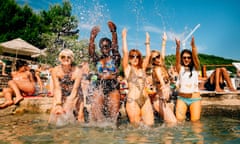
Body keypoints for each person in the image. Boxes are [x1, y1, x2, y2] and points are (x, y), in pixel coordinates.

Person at [88, 21, 121, 123]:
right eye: (102, 47)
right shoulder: (97, 59)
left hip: (113, 88)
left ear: (110, 47)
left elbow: (116, 47)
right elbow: (91, 52)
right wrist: (92, 37)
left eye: (107, 46)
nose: (105, 49)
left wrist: (113, 32)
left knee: (113, 118)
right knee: (97, 117)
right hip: (100, 88)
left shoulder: (115, 58)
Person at [122, 28, 154, 126]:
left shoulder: (142, 69)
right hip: (133, 101)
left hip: (145, 100)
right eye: (132, 56)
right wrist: (124, 37)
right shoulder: (127, 69)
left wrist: (147, 42)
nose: (135, 58)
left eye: (137, 56)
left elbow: (148, 55)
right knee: (136, 129)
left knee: (150, 125)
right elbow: (125, 52)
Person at [48, 49, 89, 125]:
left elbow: (75, 91)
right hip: (62, 94)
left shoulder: (78, 71)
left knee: (80, 118)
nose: (66, 59)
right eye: (63, 57)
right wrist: (58, 104)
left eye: (68, 57)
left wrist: (67, 105)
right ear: (60, 58)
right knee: (52, 118)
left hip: (76, 95)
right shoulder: (55, 71)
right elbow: (57, 89)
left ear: (72, 58)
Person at [149, 32, 177, 124]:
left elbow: (163, 51)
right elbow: (161, 81)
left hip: (163, 100)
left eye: (158, 56)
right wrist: (164, 87)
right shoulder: (156, 69)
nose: (157, 59)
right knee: (173, 123)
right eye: (154, 58)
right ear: (152, 61)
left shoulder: (162, 66)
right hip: (159, 101)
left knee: (170, 124)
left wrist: (164, 40)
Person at [175, 37, 201, 122]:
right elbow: (177, 59)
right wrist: (178, 47)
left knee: (195, 123)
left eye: (189, 57)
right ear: (182, 59)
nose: (186, 59)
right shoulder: (180, 68)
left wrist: (193, 46)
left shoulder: (195, 67)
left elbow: (196, 57)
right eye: (184, 57)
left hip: (195, 99)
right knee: (179, 121)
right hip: (182, 99)